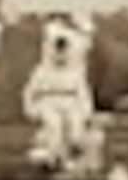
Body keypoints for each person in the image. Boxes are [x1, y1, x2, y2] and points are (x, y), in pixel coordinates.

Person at [23, 27, 95, 171]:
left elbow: (83, 92)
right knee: (54, 124)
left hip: (70, 103)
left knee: (75, 124)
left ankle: (71, 156)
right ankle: (54, 158)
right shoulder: (41, 71)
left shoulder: (75, 71)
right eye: (57, 51)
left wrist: (86, 110)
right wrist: (30, 108)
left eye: (63, 51)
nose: (60, 55)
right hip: (48, 103)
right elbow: (29, 92)